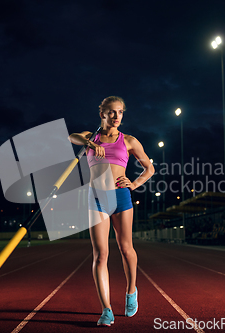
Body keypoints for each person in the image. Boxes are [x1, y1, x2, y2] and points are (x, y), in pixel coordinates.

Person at [69, 96, 155, 326]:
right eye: (111, 112)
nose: (116, 117)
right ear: (102, 114)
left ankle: (131, 291)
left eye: (120, 113)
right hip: (96, 197)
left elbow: (149, 167)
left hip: (120, 196)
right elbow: (71, 136)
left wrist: (135, 184)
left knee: (126, 248)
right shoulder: (91, 137)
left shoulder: (128, 140)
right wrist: (90, 144)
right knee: (100, 255)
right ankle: (106, 309)